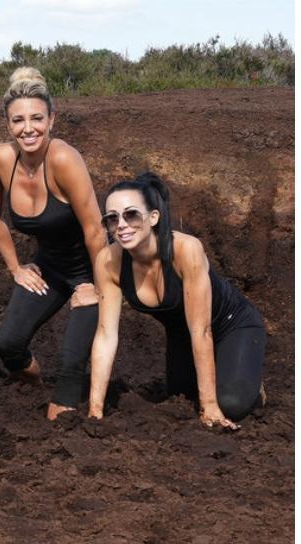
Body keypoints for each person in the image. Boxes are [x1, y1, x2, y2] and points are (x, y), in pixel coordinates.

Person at [87, 173, 265, 428]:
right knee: (181, 399)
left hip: (232, 325)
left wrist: (211, 407)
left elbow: (201, 330)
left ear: (154, 217)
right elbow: (106, 335)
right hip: (182, 334)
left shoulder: (186, 249)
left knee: (231, 405)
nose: (122, 225)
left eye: (131, 214)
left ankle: (252, 387)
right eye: (112, 218)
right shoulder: (108, 261)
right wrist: (95, 412)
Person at [0, 66, 106, 420]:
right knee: (8, 344)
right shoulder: (0, 160)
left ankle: (64, 416)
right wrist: (16, 268)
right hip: (48, 267)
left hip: (89, 269)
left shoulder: (64, 159)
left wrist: (98, 286)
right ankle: (32, 390)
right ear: (8, 125)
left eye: (37, 118)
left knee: (70, 366)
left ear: (52, 118)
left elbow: (96, 231)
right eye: (18, 120)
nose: (28, 128)